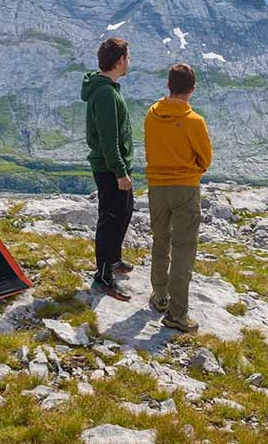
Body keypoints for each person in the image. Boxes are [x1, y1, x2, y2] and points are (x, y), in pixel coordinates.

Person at [144, 62, 212, 332]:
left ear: (168, 86)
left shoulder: (151, 114)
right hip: (185, 188)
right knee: (183, 248)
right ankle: (177, 314)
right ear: (192, 90)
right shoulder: (194, 121)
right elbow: (206, 159)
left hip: (156, 187)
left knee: (160, 240)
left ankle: (160, 296)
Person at [81, 37, 134, 301]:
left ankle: (113, 259)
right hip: (110, 167)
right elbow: (108, 138)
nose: (129, 62)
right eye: (128, 57)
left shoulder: (109, 89)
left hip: (116, 166)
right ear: (120, 60)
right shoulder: (103, 93)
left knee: (123, 212)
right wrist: (119, 171)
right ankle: (103, 276)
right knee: (110, 219)